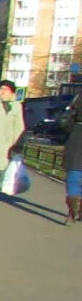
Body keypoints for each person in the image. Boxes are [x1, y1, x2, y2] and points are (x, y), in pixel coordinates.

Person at [62, 93, 82, 225]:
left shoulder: (79, 96)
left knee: (74, 178)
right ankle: (77, 211)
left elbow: (65, 123)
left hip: (76, 137)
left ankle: (73, 211)